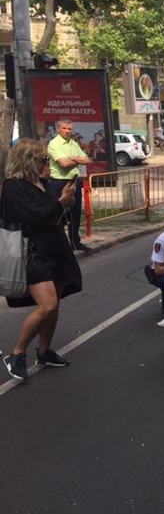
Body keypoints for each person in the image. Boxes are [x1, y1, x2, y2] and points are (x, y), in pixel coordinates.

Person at [2, 138, 82, 381]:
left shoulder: (43, 184)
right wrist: (60, 203)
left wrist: (66, 204)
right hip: (33, 252)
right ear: (27, 160)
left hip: (55, 249)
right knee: (47, 305)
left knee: (55, 304)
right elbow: (36, 217)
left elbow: (54, 217)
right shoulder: (12, 187)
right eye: (43, 158)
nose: (47, 163)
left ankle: (44, 351)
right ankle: (16, 354)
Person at [47, 118, 92, 251]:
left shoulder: (73, 143)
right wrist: (78, 160)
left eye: (69, 129)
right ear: (58, 129)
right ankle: (60, 244)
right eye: (64, 128)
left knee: (75, 213)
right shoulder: (54, 144)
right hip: (59, 182)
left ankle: (75, 242)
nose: (67, 131)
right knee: (59, 213)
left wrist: (74, 159)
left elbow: (87, 159)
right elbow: (64, 164)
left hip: (73, 181)